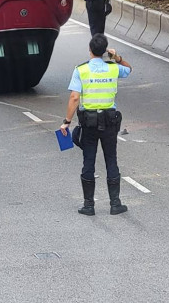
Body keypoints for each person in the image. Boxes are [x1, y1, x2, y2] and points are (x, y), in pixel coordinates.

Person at [60, 34, 132, 216]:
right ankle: (115, 204)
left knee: (89, 161)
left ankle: (89, 205)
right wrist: (116, 57)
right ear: (105, 51)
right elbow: (129, 69)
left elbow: (75, 97)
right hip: (110, 122)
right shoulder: (113, 68)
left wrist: (66, 122)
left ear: (90, 50)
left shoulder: (81, 70)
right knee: (111, 160)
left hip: (89, 124)